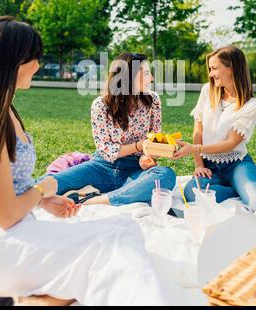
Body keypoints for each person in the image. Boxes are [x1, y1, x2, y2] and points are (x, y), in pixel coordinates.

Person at [0, 17, 171, 306]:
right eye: (35, 57)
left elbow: (9, 183)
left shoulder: (5, 108)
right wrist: (43, 190)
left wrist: (42, 200)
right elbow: (5, 214)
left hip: (16, 221)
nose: (38, 65)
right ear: (15, 61)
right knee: (116, 244)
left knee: (125, 229)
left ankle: (25, 299)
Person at [52, 52, 176, 206]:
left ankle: (96, 200)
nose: (151, 78)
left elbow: (153, 139)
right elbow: (105, 150)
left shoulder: (153, 100)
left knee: (165, 175)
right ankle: (127, 193)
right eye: (145, 73)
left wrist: (148, 156)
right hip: (101, 166)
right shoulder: (101, 105)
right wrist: (138, 146)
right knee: (50, 183)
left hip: (134, 169)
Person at [173, 45, 256, 210]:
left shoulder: (252, 105)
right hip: (209, 165)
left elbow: (231, 143)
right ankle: (237, 190)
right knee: (192, 191)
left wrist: (194, 148)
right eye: (210, 69)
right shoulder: (207, 91)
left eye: (214, 68)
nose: (210, 74)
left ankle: (251, 187)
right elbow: (198, 130)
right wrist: (199, 165)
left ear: (231, 68)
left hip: (237, 164)